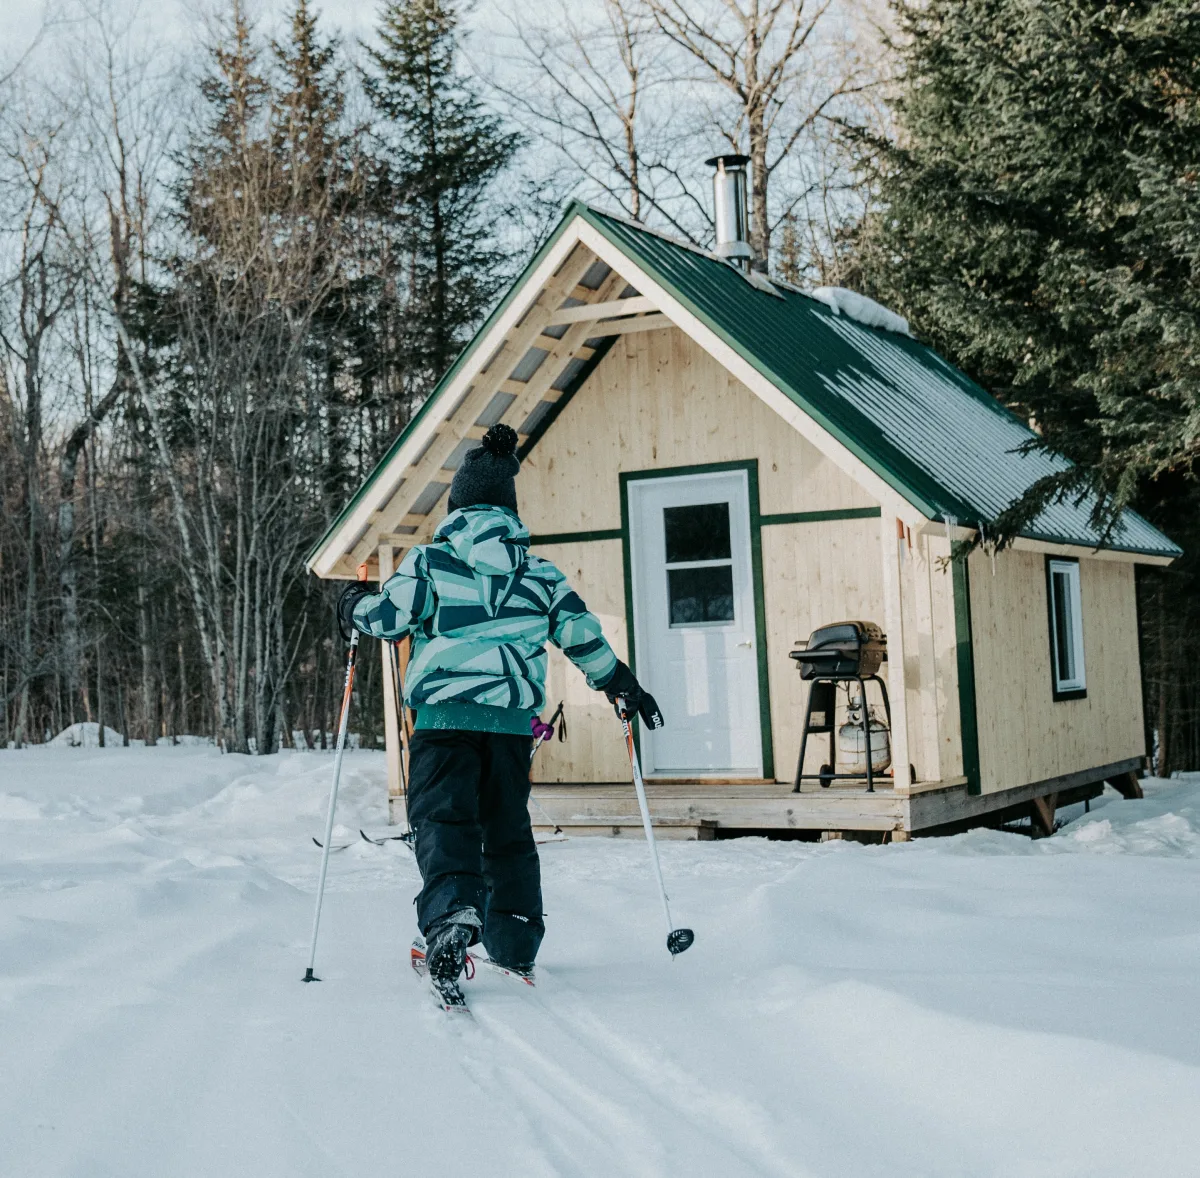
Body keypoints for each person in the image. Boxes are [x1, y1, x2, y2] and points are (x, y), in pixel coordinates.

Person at [336, 422, 663, 989]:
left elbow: (388, 622)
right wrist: (622, 685)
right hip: (511, 729)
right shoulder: (539, 574)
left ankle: (452, 915)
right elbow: (581, 636)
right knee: (507, 829)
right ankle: (513, 941)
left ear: (456, 505)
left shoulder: (430, 563)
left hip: (444, 723)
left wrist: (353, 604)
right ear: (508, 511)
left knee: (444, 820)